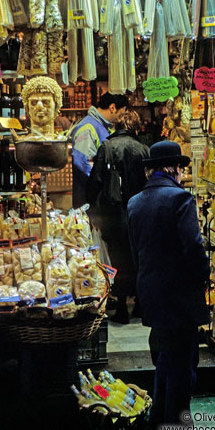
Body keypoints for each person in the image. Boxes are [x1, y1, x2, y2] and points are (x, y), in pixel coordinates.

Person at [127, 141, 210, 430]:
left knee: (164, 358)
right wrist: (203, 276)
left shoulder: (135, 203)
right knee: (183, 366)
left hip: (151, 291)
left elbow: (135, 251)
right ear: (172, 168)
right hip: (179, 295)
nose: (182, 173)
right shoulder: (181, 199)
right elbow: (194, 249)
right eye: (181, 168)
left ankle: (158, 421)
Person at [87, 111, 150, 323]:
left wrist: (90, 209)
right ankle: (140, 302)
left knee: (118, 257)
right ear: (136, 127)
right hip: (139, 211)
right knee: (139, 257)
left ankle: (121, 304)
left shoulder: (106, 147)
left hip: (113, 212)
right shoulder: (144, 150)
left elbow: (96, 180)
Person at [71, 92, 129, 208]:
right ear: (112, 108)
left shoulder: (104, 127)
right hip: (90, 200)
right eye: (122, 114)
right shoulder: (88, 127)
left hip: (100, 198)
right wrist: (102, 184)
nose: (121, 119)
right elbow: (82, 163)